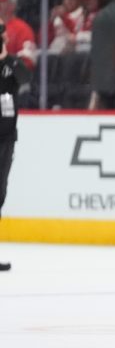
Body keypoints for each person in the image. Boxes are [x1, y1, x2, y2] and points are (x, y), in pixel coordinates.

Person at [0, 17, 32, 272]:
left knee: (0, 193)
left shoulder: (10, 64)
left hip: (7, 136)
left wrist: (6, 58)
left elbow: (24, 77)